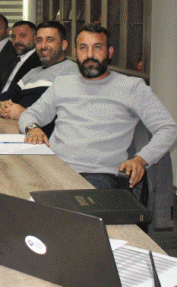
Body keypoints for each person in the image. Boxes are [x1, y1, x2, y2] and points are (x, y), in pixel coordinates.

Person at [20, 23, 177, 190]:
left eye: (97, 47)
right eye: (83, 48)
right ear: (75, 53)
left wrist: (141, 159)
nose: (90, 55)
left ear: (109, 52)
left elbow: (168, 128)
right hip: (55, 166)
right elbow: (29, 115)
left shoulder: (131, 87)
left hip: (98, 176)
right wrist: (32, 128)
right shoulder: (62, 83)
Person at [0, 21, 79, 130]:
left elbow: (68, 117)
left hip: (40, 135)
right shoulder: (33, 72)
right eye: (39, 40)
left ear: (63, 45)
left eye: (50, 40)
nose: (43, 46)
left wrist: (25, 113)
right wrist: (3, 106)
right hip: (13, 128)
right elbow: (4, 97)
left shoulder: (73, 72)